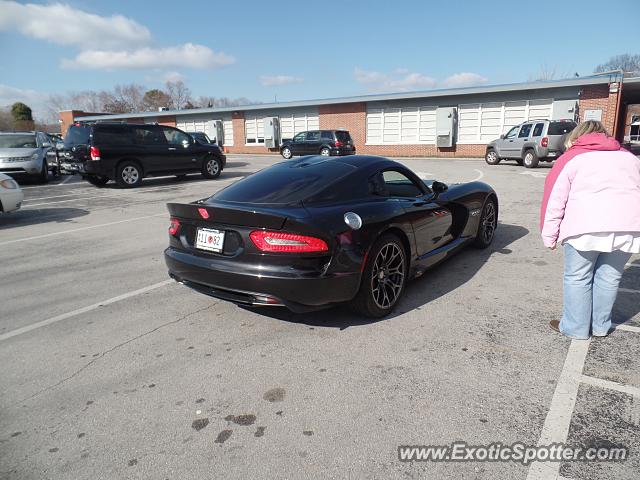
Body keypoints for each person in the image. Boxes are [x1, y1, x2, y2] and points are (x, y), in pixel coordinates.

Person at [540, 120, 640, 339]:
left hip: (584, 228)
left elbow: (554, 198)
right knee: (609, 278)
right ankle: (601, 326)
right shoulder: (631, 159)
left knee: (578, 277)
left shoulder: (572, 158)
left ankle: (576, 327)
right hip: (628, 228)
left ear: (577, 136)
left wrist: (550, 235)